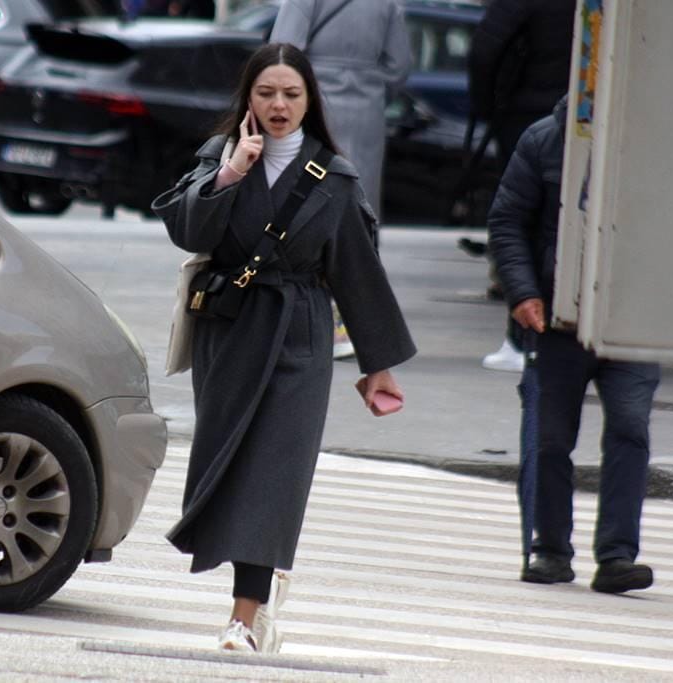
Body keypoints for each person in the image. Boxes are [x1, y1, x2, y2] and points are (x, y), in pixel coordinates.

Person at [152, 43, 416, 652]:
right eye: (266, 93)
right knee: (232, 466)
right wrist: (232, 173)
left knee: (274, 474)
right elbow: (186, 231)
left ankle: (244, 619)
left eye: (291, 94)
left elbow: (358, 273)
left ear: (309, 100)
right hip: (229, 332)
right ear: (248, 98)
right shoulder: (219, 158)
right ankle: (261, 591)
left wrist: (377, 366)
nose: (279, 105)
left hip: (299, 336)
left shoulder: (334, 177)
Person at [488, 95, 661, 594]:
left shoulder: (659, 140)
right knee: (549, 437)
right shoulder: (545, 139)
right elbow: (508, 221)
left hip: (633, 318)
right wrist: (523, 293)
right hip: (557, 317)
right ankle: (550, 549)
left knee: (630, 429)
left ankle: (617, 556)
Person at [269, 0, 411, 359]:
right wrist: (370, 86)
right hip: (367, 108)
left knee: (307, 203)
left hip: (314, 104)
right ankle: (355, 319)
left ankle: (311, 316)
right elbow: (400, 65)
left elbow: (283, 53)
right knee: (360, 209)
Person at [468, 0, 577, 373]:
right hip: (583, 112)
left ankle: (523, 335)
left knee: (521, 222)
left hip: (526, 109)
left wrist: (488, 107)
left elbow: (485, 48)